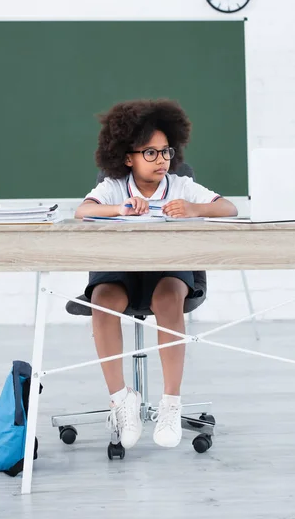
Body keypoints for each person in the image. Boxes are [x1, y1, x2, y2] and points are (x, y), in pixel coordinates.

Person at [75, 99, 237, 449]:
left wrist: (195, 208)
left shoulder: (180, 185)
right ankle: (121, 400)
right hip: (121, 268)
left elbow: (230, 208)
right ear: (127, 156)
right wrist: (119, 209)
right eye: (150, 153)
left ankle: (170, 403)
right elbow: (82, 211)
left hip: (167, 268)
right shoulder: (115, 186)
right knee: (103, 301)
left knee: (167, 298)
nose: (161, 160)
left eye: (165, 151)